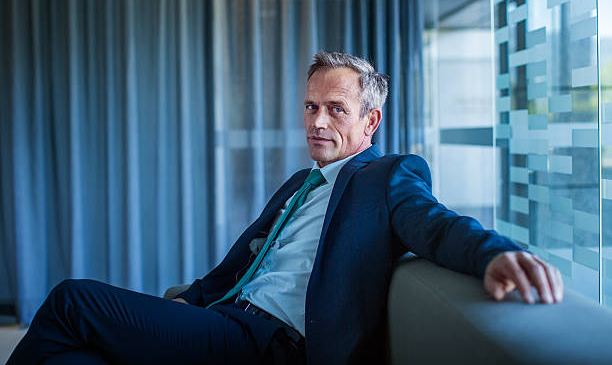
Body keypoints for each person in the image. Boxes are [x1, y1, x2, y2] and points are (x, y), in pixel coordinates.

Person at [8, 51, 563, 365]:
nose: (318, 122)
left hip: (268, 345)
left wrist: (496, 254)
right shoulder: (302, 182)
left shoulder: (388, 177)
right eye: (310, 106)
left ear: (369, 122)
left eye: (336, 110)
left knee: (71, 300)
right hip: (223, 320)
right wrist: (180, 306)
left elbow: (435, 223)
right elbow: (237, 269)